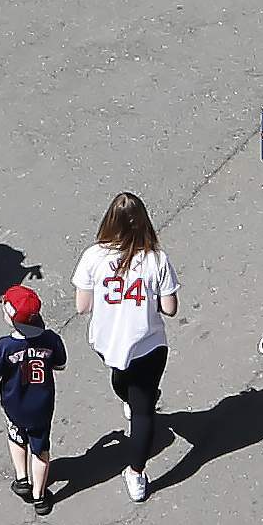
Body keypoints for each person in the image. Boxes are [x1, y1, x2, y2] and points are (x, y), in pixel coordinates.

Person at [72, 192, 180, 501]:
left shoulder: (94, 257)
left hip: (110, 343)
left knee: (126, 386)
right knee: (141, 408)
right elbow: (170, 308)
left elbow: (82, 306)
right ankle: (135, 474)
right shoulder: (156, 259)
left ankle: (135, 463)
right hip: (148, 345)